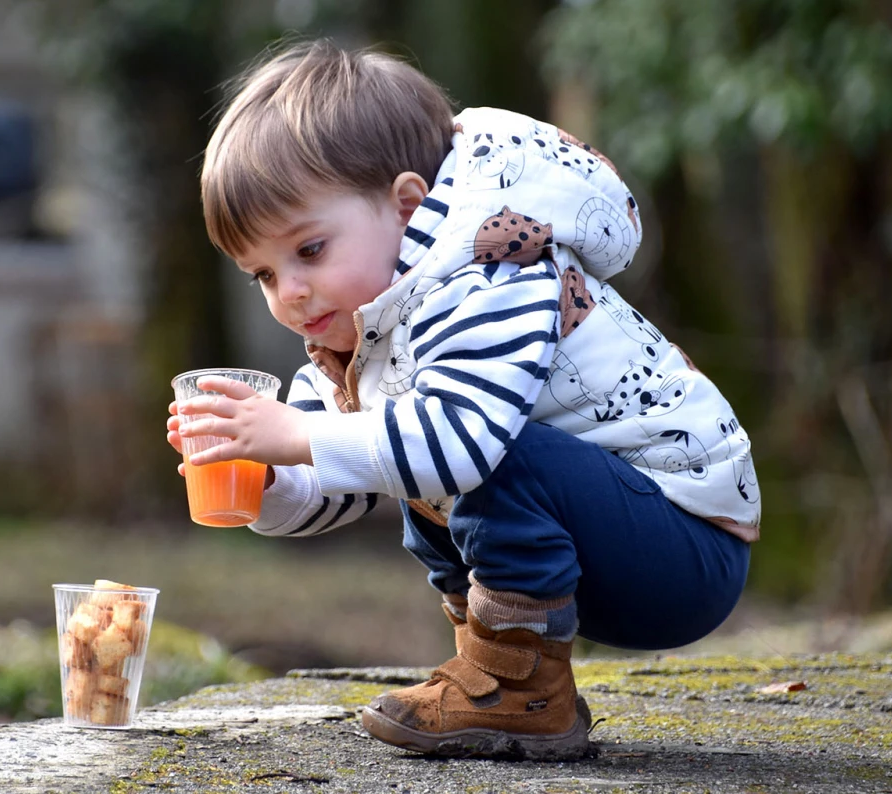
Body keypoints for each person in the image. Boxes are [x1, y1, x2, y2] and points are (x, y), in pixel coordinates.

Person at [167, 38, 760, 761]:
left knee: (466, 451)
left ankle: (514, 688)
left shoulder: (488, 276)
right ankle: (505, 672)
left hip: (684, 546)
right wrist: (263, 478)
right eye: (261, 274)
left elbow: (461, 444)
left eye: (309, 250)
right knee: (405, 463)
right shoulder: (362, 332)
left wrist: (294, 433)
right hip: (602, 553)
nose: (290, 293)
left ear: (406, 204)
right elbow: (344, 479)